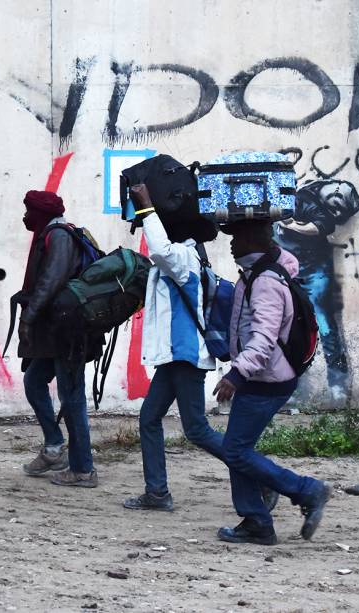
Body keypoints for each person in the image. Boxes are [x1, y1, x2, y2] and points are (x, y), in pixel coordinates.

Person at [212, 219, 332, 545]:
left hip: (266, 379)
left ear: (254, 240)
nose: (233, 245)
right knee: (238, 449)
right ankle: (255, 521)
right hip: (264, 376)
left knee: (235, 451)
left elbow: (264, 338)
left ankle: (305, 490)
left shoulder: (265, 281)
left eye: (238, 238)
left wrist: (236, 374)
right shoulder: (260, 273)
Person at [120, 183, 227, 512]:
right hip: (174, 357)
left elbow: (161, 251)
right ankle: (157, 493)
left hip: (185, 357)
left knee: (196, 429)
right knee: (149, 418)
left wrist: (148, 206)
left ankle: (261, 478)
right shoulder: (183, 258)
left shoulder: (182, 256)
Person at [17, 190, 99, 488]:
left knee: (72, 397)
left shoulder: (59, 236)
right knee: (34, 382)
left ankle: (83, 470)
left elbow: (52, 280)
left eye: (28, 212)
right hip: (54, 331)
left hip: (68, 331)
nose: (25, 217)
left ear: (41, 213)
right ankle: (54, 448)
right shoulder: (50, 234)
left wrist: (28, 316)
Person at [275, 180, 359, 402]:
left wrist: (291, 225)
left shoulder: (307, 201)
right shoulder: (286, 202)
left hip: (313, 270)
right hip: (289, 273)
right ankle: (296, 388)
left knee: (324, 325)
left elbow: (323, 225)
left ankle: (338, 385)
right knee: (292, 329)